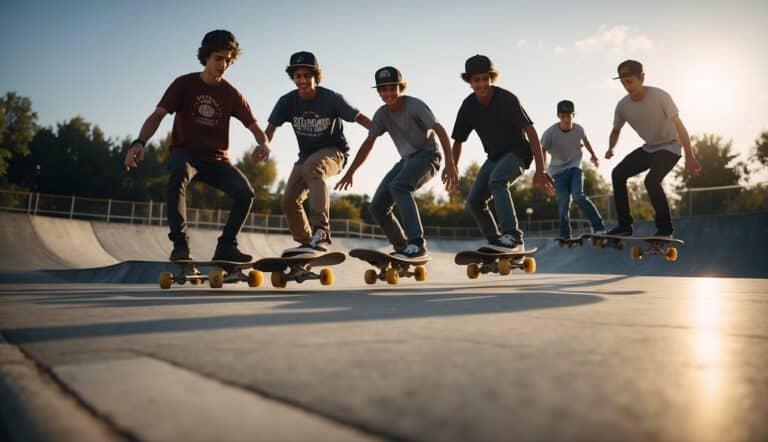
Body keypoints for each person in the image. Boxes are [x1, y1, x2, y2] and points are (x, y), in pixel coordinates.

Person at [124, 30, 270, 262]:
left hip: (217, 160)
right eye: (218, 58)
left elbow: (255, 128)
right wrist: (139, 142)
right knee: (178, 173)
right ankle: (180, 246)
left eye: (228, 60)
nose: (224, 65)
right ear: (206, 57)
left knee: (245, 193)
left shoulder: (232, 94)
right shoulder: (184, 84)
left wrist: (264, 143)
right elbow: (158, 115)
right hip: (186, 154)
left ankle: (226, 247)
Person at [335, 66, 459, 259]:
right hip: (406, 160)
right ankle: (402, 248)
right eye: (383, 90)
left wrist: (450, 163)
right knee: (377, 206)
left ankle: (417, 244)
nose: (388, 94)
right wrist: (350, 172)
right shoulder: (381, 114)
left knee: (399, 187)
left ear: (401, 88)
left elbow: (440, 130)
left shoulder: (415, 105)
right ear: (379, 93)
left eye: (393, 88)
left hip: (428, 156)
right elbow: (368, 144)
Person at [263, 51, 371, 256]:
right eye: (298, 76)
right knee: (289, 200)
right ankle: (307, 243)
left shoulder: (331, 98)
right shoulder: (286, 101)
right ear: (293, 78)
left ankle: (321, 230)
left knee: (314, 166)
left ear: (316, 77)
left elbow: (358, 117)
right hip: (305, 157)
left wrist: (377, 128)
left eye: (307, 76)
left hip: (335, 153)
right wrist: (264, 144)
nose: (303, 81)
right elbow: (271, 128)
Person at [451, 54, 554, 253]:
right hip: (494, 157)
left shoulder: (506, 99)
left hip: (518, 153)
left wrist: (541, 169)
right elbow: (458, 141)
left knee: (497, 180)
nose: (481, 84)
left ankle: (512, 236)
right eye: (476, 80)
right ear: (469, 82)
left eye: (484, 79)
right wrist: (453, 169)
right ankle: (497, 243)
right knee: (474, 200)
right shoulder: (468, 106)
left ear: (491, 78)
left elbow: (531, 132)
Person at [605, 60, 702, 238]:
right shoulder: (623, 106)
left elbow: (679, 126)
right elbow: (616, 130)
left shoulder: (660, 96)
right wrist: (611, 147)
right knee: (618, 173)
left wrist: (690, 155)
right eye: (623, 83)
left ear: (641, 78)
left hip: (670, 147)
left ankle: (665, 229)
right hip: (649, 149)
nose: (627, 87)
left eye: (631, 81)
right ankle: (625, 226)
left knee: (651, 181)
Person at [541, 100, 606, 239]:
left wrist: (593, 155)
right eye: (563, 116)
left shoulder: (579, 129)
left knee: (578, 195)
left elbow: (586, 141)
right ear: (558, 116)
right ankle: (565, 235)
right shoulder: (550, 133)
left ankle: (599, 228)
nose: (566, 120)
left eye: (569, 116)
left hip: (574, 167)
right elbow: (542, 151)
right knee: (564, 202)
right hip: (557, 172)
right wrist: (543, 172)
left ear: (573, 115)